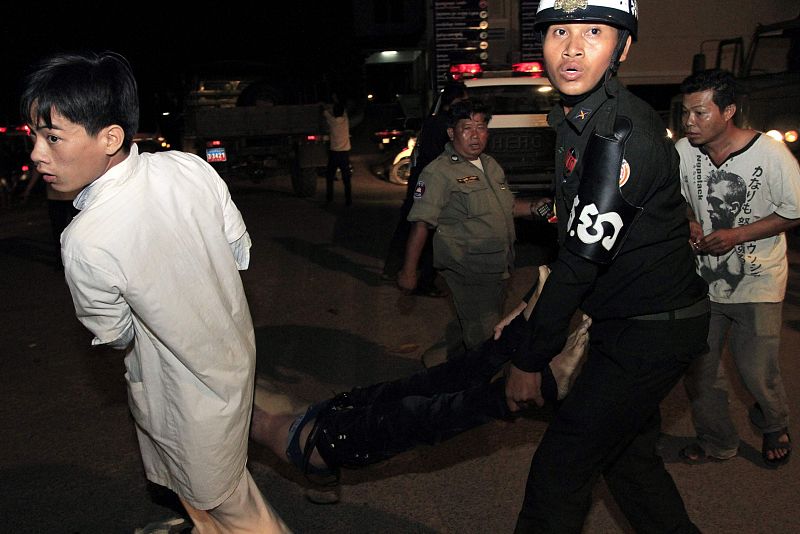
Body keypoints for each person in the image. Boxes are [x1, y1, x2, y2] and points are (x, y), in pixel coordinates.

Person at [21, 51, 289, 533]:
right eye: (35, 136)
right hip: (234, 359)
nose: (38, 154)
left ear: (110, 138)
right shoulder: (189, 168)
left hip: (185, 395)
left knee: (237, 509)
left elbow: (115, 332)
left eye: (52, 137)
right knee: (198, 490)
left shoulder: (85, 239)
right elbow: (238, 252)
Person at [502, 2, 712, 532]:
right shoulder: (578, 120)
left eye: (594, 31)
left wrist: (530, 358)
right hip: (626, 322)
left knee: (560, 470)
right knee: (629, 461)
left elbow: (578, 263)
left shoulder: (621, 134)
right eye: (559, 31)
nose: (572, 47)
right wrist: (530, 308)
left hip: (652, 331)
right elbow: (572, 235)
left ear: (623, 47)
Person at [250, 265, 591, 484]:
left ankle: (520, 332)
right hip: (318, 439)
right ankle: (543, 384)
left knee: (434, 382)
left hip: (330, 409)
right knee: (421, 416)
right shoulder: (199, 406)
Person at [676, 68, 798, 468]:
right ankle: (718, 441)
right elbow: (677, 199)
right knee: (700, 371)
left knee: (756, 371)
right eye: (685, 113)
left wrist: (738, 235)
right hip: (702, 283)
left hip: (758, 280)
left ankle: (774, 423)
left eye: (699, 113)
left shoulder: (770, 154)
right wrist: (690, 221)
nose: (688, 122)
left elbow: (794, 211)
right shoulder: (683, 152)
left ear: (728, 111)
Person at [399, 99, 548, 357]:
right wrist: (409, 271)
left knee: (475, 323)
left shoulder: (489, 165)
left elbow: (507, 207)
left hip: (500, 265)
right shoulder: (439, 173)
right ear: (451, 133)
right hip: (468, 268)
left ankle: (439, 363)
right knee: (485, 338)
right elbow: (422, 223)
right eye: (467, 127)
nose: (475, 134)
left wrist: (535, 207)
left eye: (481, 126)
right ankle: (476, 388)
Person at [381, 81, 468, 298]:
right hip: (431, 185)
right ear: (456, 100)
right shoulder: (446, 125)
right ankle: (423, 281)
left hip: (420, 184)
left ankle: (393, 269)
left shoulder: (432, 120)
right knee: (430, 232)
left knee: (409, 223)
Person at [322, 100, 352, 206]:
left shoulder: (332, 121)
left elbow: (325, 111)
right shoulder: (345, 120)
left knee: (329, 177)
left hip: (334, 154)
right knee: (346, 178)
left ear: (334, 113)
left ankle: (329, 198)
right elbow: (343, 111)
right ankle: (348, 200)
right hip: (345, 154)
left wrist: (324, 105)